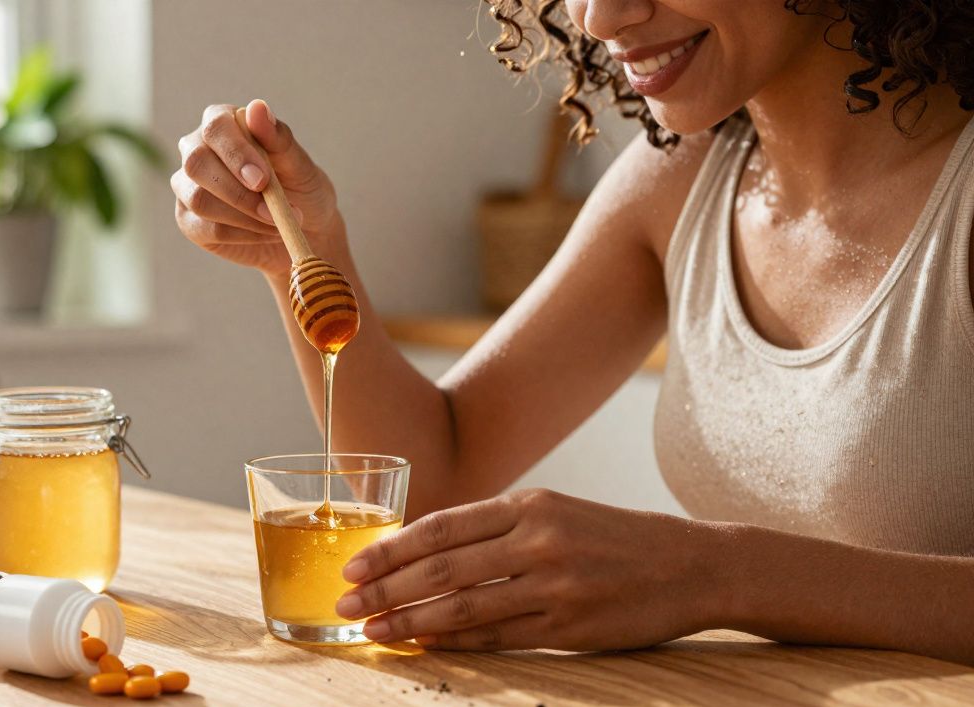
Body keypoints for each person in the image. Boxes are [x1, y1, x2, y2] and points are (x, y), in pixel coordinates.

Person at [171, 0, 974, 663]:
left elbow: (722, 575)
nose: (598, 17)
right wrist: (302, 252)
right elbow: (438, 468)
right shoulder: (684, 177)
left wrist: (715, 573)